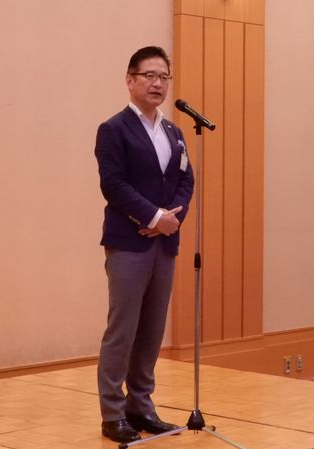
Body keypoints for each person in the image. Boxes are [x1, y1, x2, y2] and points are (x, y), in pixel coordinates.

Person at [94, 46, 194, 444]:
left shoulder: (174, 132)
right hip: (129, 243)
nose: (157, 84)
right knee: (123, 330)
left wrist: (172, 220)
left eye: (163, 77)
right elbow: (113, 184)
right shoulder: (114, 129)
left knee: (152, 329)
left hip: (164, 244)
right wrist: (153, 217)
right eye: (149, 75)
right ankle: (112, 413)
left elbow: (185, 181)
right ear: (130, 79)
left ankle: (141, 406)